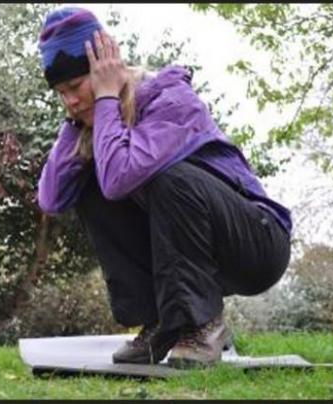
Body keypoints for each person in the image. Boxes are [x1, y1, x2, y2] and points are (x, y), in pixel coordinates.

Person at [36, 6, 292, 368]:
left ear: (105, 70)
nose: (70, 100)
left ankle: (203, 324)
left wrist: (105, 97)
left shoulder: (171, 99)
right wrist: (76, 122)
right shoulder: (95, 120)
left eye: (75, 87)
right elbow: (52, 199)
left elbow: (120, 179)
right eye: (61, 93)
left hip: (256, 245)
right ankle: (159, 324)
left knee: (165, 176)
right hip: (193, 251)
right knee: (89, 185)